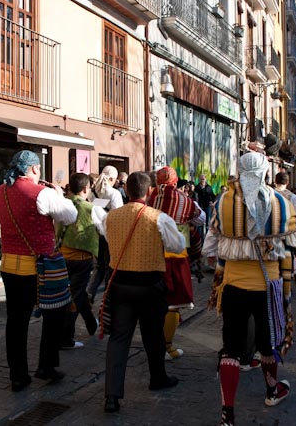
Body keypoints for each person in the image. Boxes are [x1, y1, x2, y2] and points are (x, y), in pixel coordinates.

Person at [202, 152, 296, 425]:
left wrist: (234, 243)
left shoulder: (223, 201)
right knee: (267, 343)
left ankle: (227, 413)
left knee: (231, 348)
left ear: (239, 172)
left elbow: (209, 246)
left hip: (233, 285)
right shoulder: (280, 202)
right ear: (264, 173)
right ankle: (273, 390)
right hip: (268, 286)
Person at [0, 150, 77, 392]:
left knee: (16, 321)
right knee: (55, 312)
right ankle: (46, 365)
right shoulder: (43, 193)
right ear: (34, 169)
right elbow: (70, 216)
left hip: (9, 264)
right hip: (39, 265)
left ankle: (18, 376)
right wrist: (59, 195)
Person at [102, 171, 185, 413]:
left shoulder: (111, 217)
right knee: (153, 334)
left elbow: (108, 239)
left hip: (120, 285)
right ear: (149, 192)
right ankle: (157, 378)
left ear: (126, 191)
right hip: (149, 285)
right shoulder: (158, 217)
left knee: (119, 338)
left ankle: (111, 396)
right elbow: (177, 245)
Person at [147, 167, 205, 360]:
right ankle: (166, 346)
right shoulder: (184, 200)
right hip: (176, 257)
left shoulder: (149, 197)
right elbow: (200, 219)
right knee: (173, 303)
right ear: (175, 181)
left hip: (151, 255)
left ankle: (153, 343)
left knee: (153, 303)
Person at [58, 172, 105, 350]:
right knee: (75, 297)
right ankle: (66, 338)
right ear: (86, 189)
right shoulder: (92, 208)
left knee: (77, 292)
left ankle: (91, 324)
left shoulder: (62, 204)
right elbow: (105, 230)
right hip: (82, 259)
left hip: (62, 257)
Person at [87, 166, 123, 303]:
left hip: (95, 233)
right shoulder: (114, 194)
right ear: (112, 178)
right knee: (109, 266)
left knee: (99, 266)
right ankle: (108, 297)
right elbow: (118, 216)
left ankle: (89, 293)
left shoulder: (92, 192)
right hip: (109, 234)